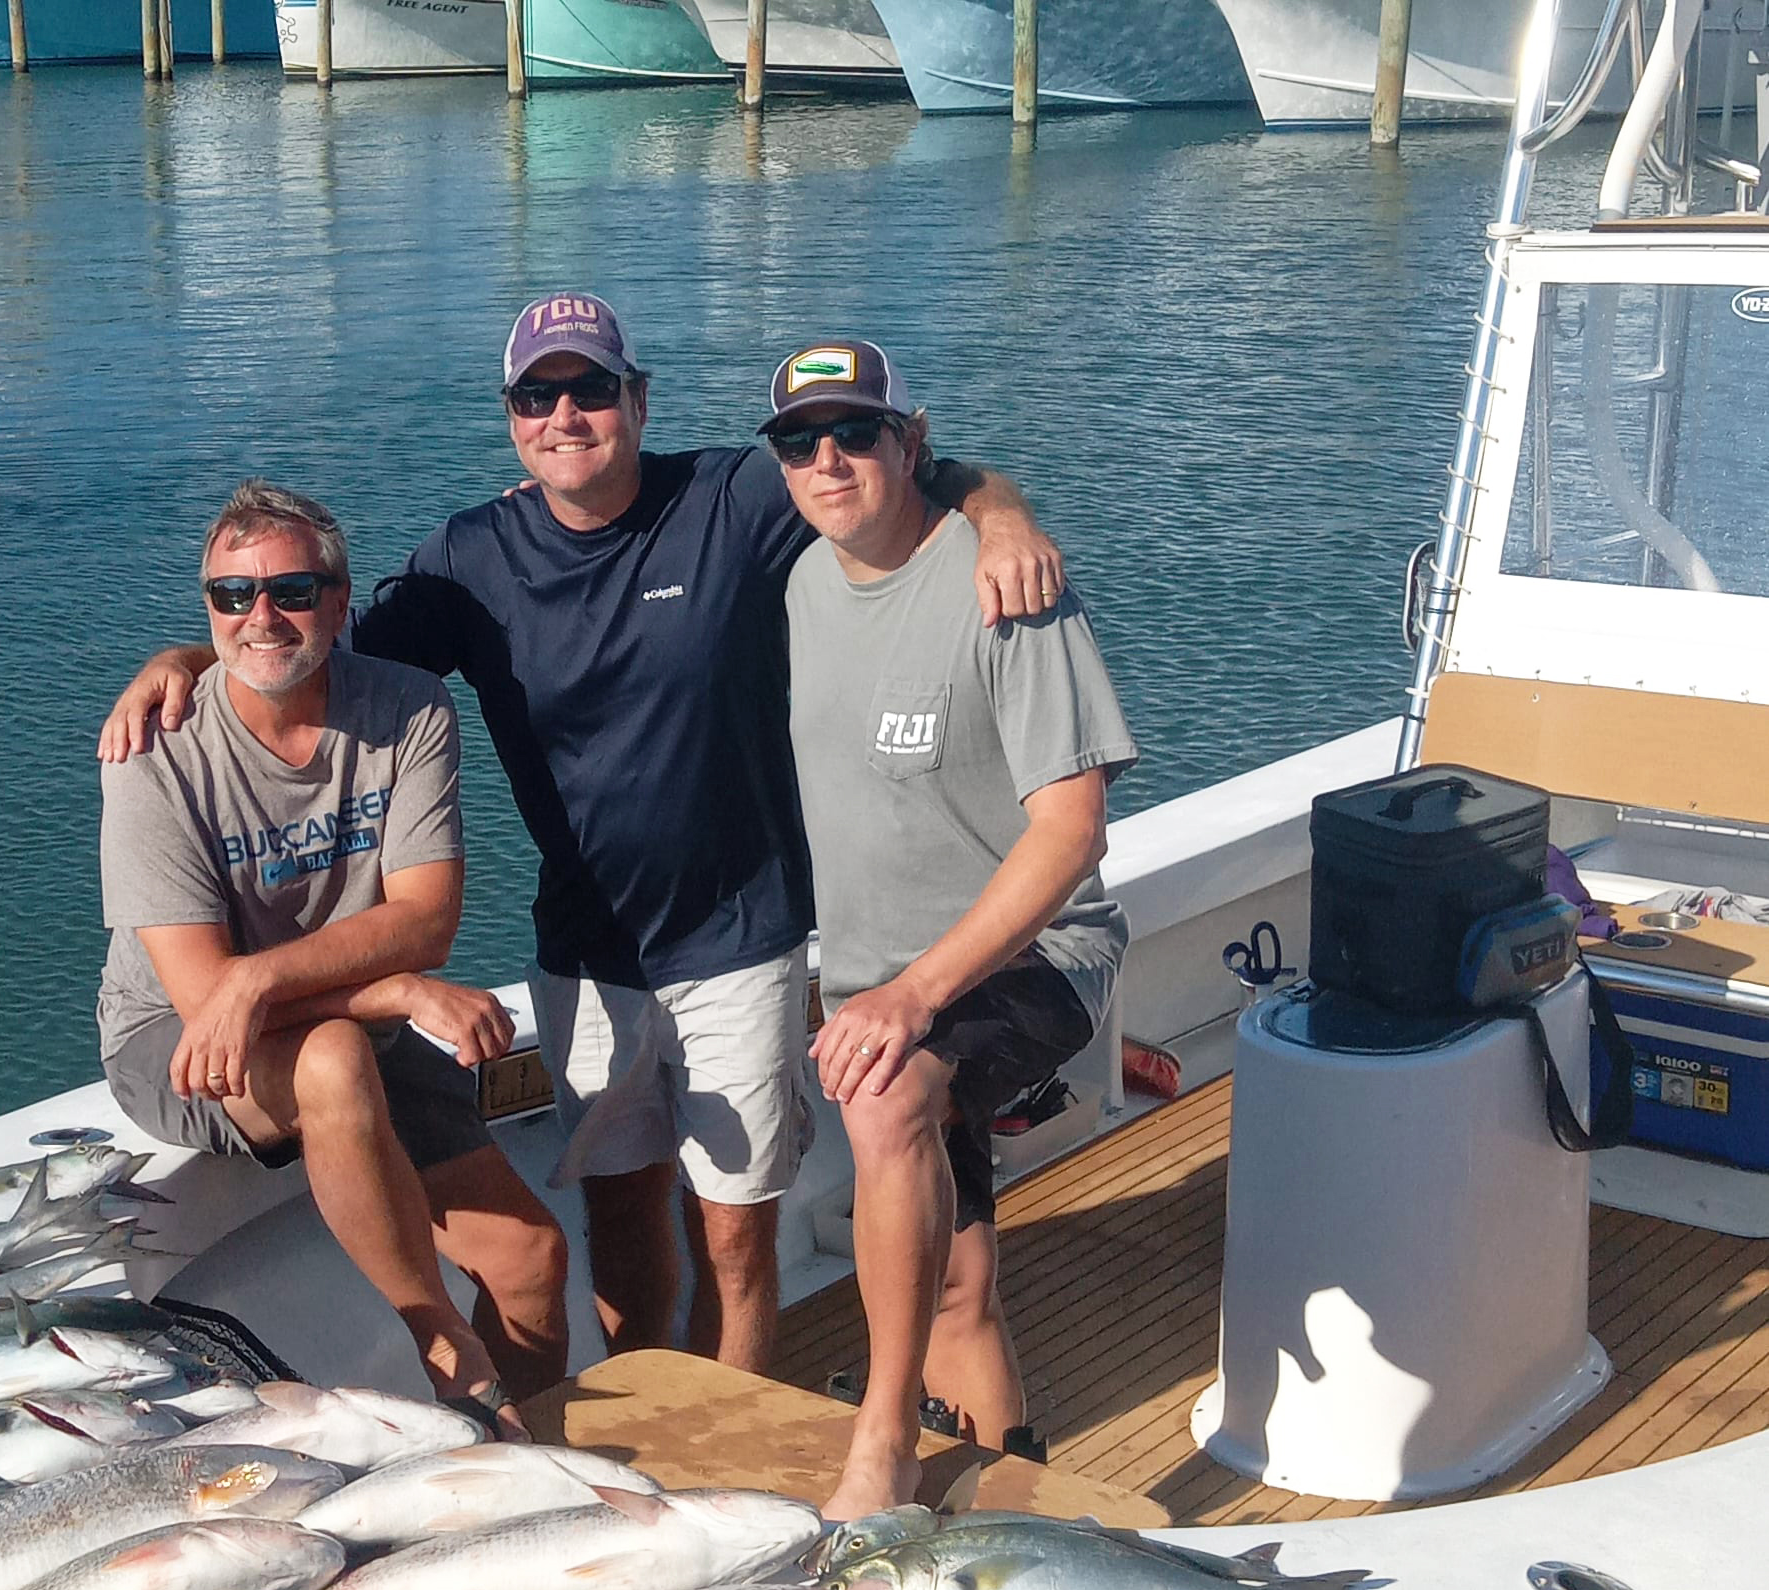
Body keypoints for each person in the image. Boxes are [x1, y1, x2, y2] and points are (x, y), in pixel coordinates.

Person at [100, 296, 1067, 1379]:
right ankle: (651, 1433)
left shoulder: (732, 495)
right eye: (537, 394)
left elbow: (920, 471)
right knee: (621, 1216)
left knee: (740, 1237)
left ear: (638, 400)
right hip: (585, 953)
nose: (566, 413)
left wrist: (1009, 518)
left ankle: (732, 1441)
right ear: (512, 418)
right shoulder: (467, 558)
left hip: (741, 936)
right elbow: (300, 644)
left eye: (592, 388)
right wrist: (188, 656)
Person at [98, 479, 569, 1424]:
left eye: (291, 592)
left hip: (318, 1014)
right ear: (207, 609)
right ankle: (438, 1340)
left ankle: (535, 1474)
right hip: (178, 1042)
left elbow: (426, 918)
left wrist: (276, 976)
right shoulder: (157, 752)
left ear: (341, 603)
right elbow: (202, 1001)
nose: (260, 616)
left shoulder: (410, 710)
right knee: (336, 1056)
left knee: (533, 1260)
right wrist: (393, 993)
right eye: (232, 596)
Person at [765, 338, 1136, 1521]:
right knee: (960, 1280)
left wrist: (913, 997)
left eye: (857, 433)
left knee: (885, 1100)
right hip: (883, 979)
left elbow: (1072, 833)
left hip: (1035, 959)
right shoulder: (805, 580)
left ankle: (884, 1441)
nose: (828, 460)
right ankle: (1017, 1477)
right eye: (799, 441)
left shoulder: (1006, 584)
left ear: (907, 443)